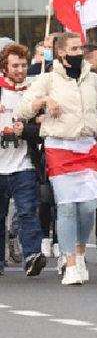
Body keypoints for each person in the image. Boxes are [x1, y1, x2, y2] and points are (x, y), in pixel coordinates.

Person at [17, 32, 97, 285]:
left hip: (87, 147)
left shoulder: (93, 80)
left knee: (87, 207)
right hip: (59, 146)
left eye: (81, 48)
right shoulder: (48, 79)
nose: (79, 52)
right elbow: (23, 108)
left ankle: (79, 251)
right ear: (61, 53)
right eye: (74, 48)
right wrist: (44, 100)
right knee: (65, 206)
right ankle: (69, 262)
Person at [0, 44, 46, 277]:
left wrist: (27, 129)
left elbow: (43, 129)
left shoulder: (33, 93)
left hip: (24, 164)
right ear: (4, 67)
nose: (20, 70)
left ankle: (32, 256)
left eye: (23, 65)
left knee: (28, 211)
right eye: (15, 65)